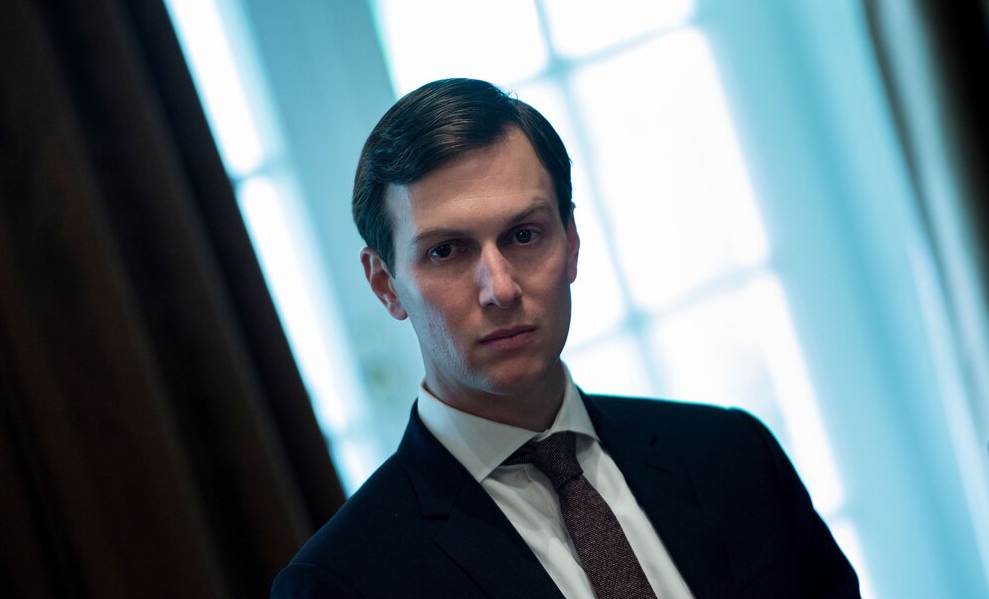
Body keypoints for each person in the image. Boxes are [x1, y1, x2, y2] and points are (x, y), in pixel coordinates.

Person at [272, 78, 860, 598]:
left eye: (524, 235)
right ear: (386, 285)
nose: (500, 288)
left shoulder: (733, 457)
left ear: (571, 242)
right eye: (446, 251)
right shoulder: (342, 582)